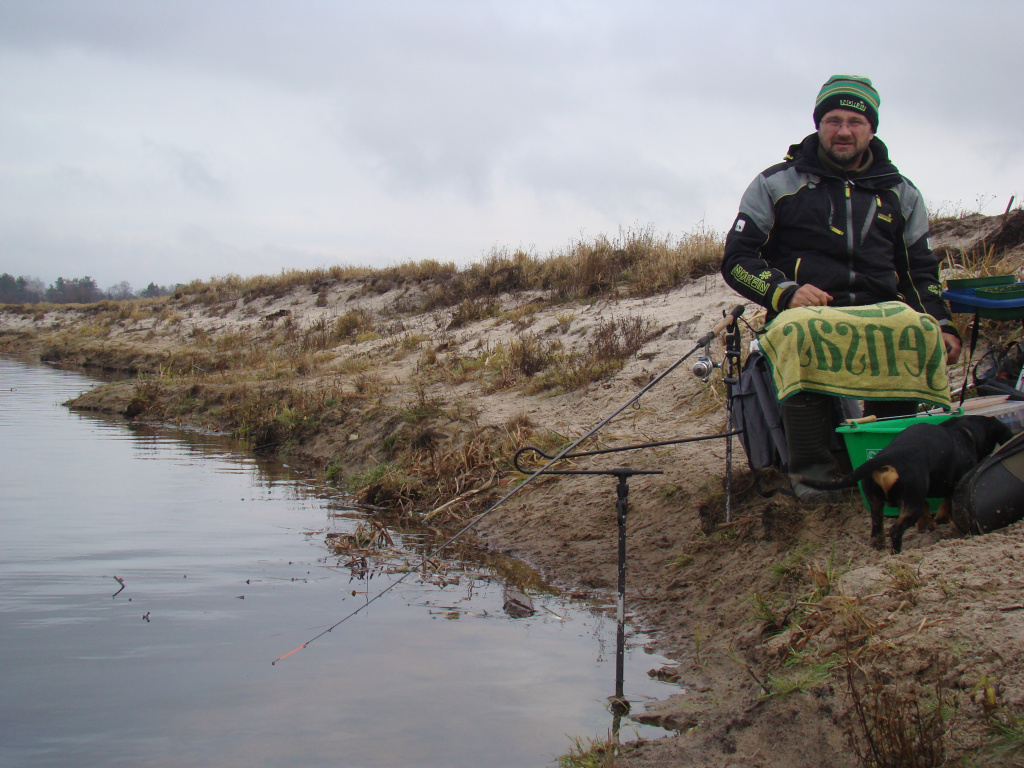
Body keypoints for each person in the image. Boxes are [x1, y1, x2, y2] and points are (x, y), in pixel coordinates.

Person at [721, 74, 962, 498]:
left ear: (872, 129)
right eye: (833, 119)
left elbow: (920, 272)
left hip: (882, 311)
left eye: (855, 120)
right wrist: (786, 292)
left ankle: (892, 466)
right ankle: (815, 477)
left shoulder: (901, 193)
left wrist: (942, 323)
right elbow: (737, 260)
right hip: (805, 316)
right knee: (800, 331)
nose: (844, 130)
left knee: (916, 330)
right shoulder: (775, 184)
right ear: (818, 124)